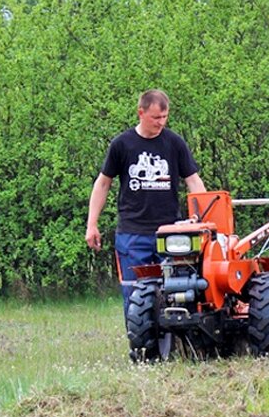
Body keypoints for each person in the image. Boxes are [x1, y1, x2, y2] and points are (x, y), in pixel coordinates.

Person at [86, 89, 205, 315]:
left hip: (170, 233)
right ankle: (141, 348)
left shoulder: (174, 143)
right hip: (132, 233)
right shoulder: (122, 144)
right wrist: (92, 224)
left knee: (180, 292)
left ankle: (181, 346)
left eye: (164, 117)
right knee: (135, 296)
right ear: (141, 113)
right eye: (155, 118)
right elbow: (102, 184)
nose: (161, 123)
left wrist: (204, 222)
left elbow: (193, 180)